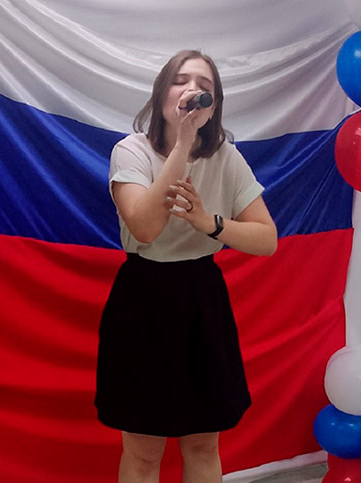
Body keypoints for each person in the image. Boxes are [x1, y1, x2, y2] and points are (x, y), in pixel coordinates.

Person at [95, 49, 277, 483]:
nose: (192, 90)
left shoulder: (226, 157)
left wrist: (209, 223)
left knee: (203, 443)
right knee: (143, 451)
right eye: (181, 80)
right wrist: (182, 145)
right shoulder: (131, 151)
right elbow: (144, 228)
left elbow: (266, 239)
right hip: (143, 297)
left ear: (213, 107)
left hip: (202, 297)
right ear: (162, 91)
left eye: (204, 86)